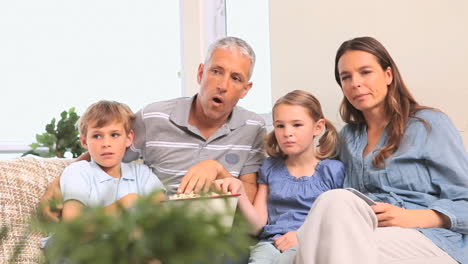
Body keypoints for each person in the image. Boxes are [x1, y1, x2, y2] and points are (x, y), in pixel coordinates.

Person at [40, 36, 266, 221]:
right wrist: (57, 185)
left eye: (235, 78)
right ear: (200, 73)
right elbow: (108, 146)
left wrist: (217, 169)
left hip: (221, 234)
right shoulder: (154, 117)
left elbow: (250, 204)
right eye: (216, 71)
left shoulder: (253, 128)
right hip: (164, 229)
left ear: (245, 89)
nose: (222, 85)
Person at [294, 37, 468, 264]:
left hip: (429, 238)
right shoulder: (347, 137)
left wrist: (412, 216)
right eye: (346, 77)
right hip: (366, 231)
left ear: (388, 75)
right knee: (332, 204)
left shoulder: (428, 124)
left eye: (365, 72)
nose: (355, 83)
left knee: (325, 240)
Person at [214, 90, 345, 264]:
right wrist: (240, 192)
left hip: (309, 243)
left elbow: (340, 221)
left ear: (318, 127)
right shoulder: (270, 168)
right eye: (280, 126)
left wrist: (303, 236)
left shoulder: (333, 170)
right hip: (269, 245)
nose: (287, 133)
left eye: (297, 125)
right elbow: (257, 226)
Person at [60, 100, 166, 220]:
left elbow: (160, 215)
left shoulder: (142, 173)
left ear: (128, 138)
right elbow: (72, 224)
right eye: (97, 136)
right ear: (84, 141)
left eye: (114, 135)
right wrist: (125, 204)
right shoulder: (79, 171)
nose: (106, 144)